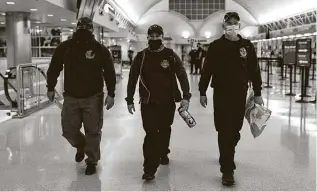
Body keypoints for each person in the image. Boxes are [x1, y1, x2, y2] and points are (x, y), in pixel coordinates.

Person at [199, 12, 263, 186]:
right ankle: (227, 169)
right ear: (223, 26)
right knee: (224, 130)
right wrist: (202, 91)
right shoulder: (216, 46)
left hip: (240, 94)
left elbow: (255, 71)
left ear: (239, 26)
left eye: (235, 23)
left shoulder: (247, 46)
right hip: (221, 94)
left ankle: (227, 152)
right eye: (229, 23)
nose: (232, 26)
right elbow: (207, 70)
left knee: (235, 131)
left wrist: (258, 93)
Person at [46, 17, 116, 175]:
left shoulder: (99, 49)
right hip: (71, 96)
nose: (83, 29)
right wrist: (50, 87)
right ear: (76, 28)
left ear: (91, 29)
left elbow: (109, 72)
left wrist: (111, 93)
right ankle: (81, 146)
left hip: (93, 97)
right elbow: (54, 67)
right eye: (81, 26)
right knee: (69, 130)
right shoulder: (65, 47)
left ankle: (91, 160)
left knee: (93, 131)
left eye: (87, 27)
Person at [126, 24, 191, 181]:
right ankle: (149, 168)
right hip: (148, 102)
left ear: (162, 37)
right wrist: (129, 99)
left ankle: (163, 151)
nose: (154, 38)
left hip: (167, 101)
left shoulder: (170, 55)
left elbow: (181, 74)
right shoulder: (141, 57)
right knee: (151, 134)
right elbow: (132, 78)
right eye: (152, 36)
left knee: (164, 129)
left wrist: (186, 96)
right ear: (147, 37)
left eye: (158, 36)